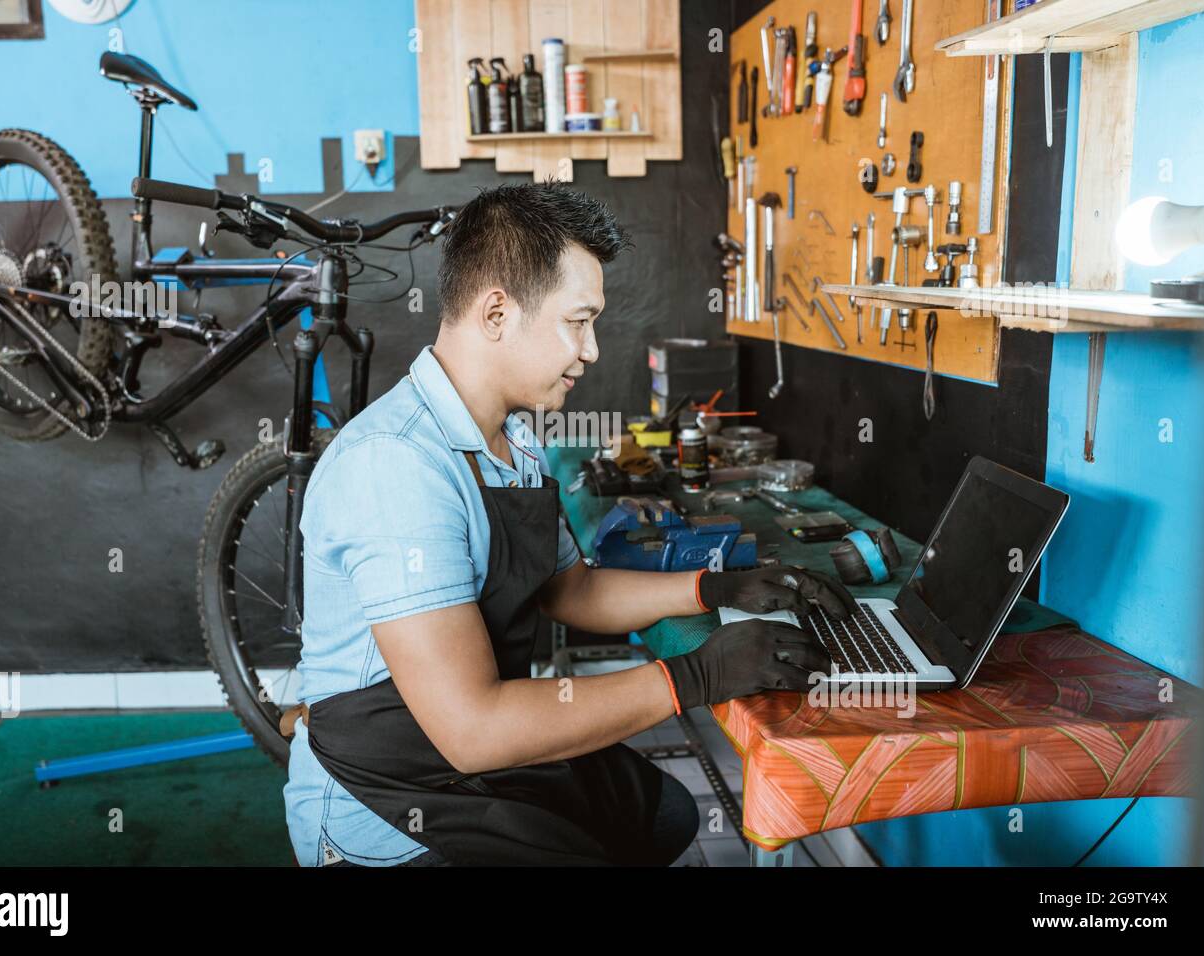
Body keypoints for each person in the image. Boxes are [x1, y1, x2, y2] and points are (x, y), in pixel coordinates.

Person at [282, 181, 855, 867]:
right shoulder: (397, 466)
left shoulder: (511, 441)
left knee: (662, 815)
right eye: (577, 322)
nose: (591, 352)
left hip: (474, 748)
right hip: (389, 799)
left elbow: (570, 591)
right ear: (497, 312)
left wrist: (716, 589)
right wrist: (692, 678)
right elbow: (472, 731)